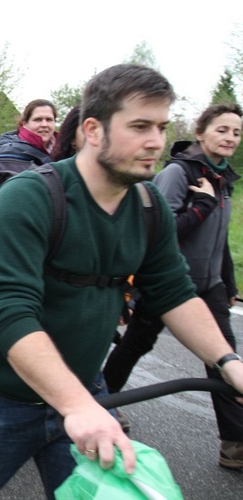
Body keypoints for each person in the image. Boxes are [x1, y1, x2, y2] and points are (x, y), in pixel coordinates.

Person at [0, 64, 243, 500]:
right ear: (93, 129)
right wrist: (77, 405)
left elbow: (175, 294)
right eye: (139, 126)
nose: (156, 142)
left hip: (86, 392)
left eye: (161, 127)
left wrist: (228, 363)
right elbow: (9, 310)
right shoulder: (29, 196)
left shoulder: (149, 206)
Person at [102, 102, 243, 468]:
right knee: (135, 344)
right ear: (201, 133)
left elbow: (219, 239)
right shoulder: (180, 173)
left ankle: (234, 444)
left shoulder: (222, 178)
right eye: (222, 129)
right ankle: (101, 401)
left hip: (208, 286)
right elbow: (158, 232)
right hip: (165, 284)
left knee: (222, 357)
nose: (230, 137)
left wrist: (227, 282)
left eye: (236, 132)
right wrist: (202, 205)